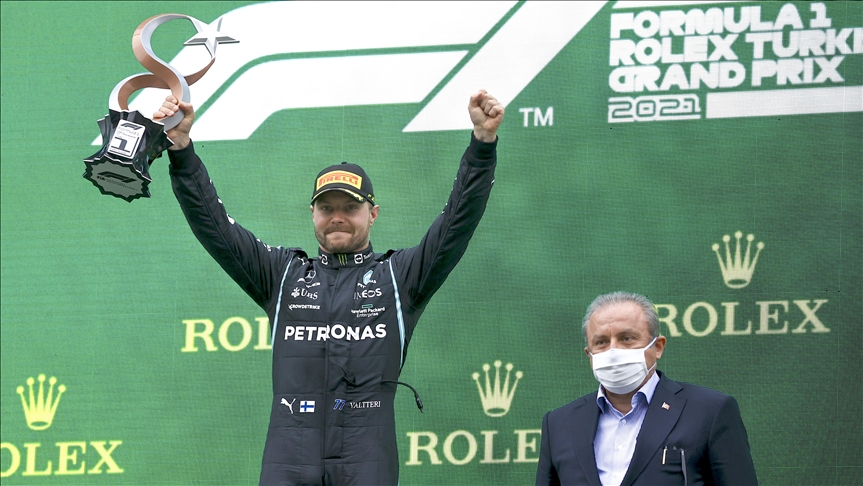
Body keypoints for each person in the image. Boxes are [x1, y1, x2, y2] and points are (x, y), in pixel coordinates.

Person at [154, 90, 503, 485]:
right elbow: (215, 227)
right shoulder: (282, 275)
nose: (337, 217)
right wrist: (181, 149)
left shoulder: (399, 277)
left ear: (373, 214)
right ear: (313, 214)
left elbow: (456, 223)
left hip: (366, 458)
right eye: (326, 208)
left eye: (350, 207)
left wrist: (482, 145)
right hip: (289, 458)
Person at [536, 291, 758, 486]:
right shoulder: (558, 424)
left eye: (627, 338)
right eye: (601, 342)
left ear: (658, 347)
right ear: (589, 354)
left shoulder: (709, 412)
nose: (613, 351)